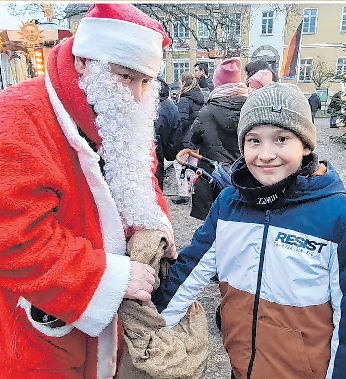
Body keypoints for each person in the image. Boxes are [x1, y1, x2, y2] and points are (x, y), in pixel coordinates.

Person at [0, 4, 177, 378]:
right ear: (83, 61)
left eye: (145, 81)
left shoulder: (118, 110)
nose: (135, 93)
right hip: (43, 331)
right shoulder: (17, 116)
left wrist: (155, 224)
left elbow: (140, 179)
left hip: (112, 333)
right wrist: (104, 278)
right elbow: (13, 237)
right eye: (126, 76)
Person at [155, 82, 346, 379]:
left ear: (307, 145)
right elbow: (191, 269)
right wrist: (153, 326)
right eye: (254, 141)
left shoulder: (343, 218)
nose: (266, 154)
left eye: (281, 139)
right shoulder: (229, 204)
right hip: (242, 366)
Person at [188, 57, 249, 220]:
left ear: (217, 84)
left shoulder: (206, 112)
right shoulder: (251, 110)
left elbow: (191, 141)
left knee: (212, 227)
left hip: (212, 180)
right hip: (244, 180)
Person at [171, 71, 205, 205]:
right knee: (193, 164)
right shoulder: (200, 97)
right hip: (196, 137)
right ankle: (194, 192)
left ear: (184, 83)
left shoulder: (185, 99)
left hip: (186, 137)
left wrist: (177, 135)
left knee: (178, 164)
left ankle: (183, 194)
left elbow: (182, 120)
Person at [154, 78, 180, 189]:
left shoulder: (141, 103)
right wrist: (170, 153)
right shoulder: (171, 108)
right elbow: (174, 137)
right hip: (158, 157)